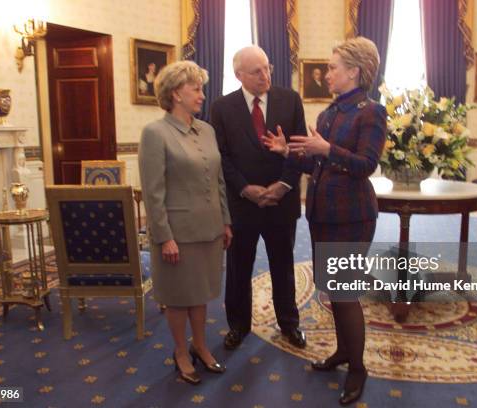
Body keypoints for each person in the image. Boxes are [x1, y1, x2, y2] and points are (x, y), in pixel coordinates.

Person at [262, 36, 386, 406]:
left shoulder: (371, 111)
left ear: (354, 71)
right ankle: (342, 352)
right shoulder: (329, 113)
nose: (326, 73)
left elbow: (366, 165)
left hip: (352, 216)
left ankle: (358, 369)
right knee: (333, 290)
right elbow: (318, 164)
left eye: (333, 67)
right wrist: (290, 152)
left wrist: (327, 149)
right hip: (322, 214)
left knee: (345, 294)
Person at [138, 60, 233, 385]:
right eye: (197, 89)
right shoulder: (155, 133)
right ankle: (180, 351)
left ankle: (201, 346)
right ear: (177, 93)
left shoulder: (206, 129)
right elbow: (153, 192)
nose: (202, 96)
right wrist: (164, 237)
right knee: (179, 296)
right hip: (177, 234)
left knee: (201, 293)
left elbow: (219, 180)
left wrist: (226, 222)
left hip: (209, 230)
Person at [210, 46, 307, 350]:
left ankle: (289, 324)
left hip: (282, 202)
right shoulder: (221, 108)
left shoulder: (290, 100)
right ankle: (238, 326)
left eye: (268, 68)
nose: (265, 75)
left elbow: (300, 149)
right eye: (256, 71)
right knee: (239, 268)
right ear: (239, 75)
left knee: (283, 266)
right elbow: (221, 157)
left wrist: (284, 185)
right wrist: (244, 188)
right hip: (243, 205)